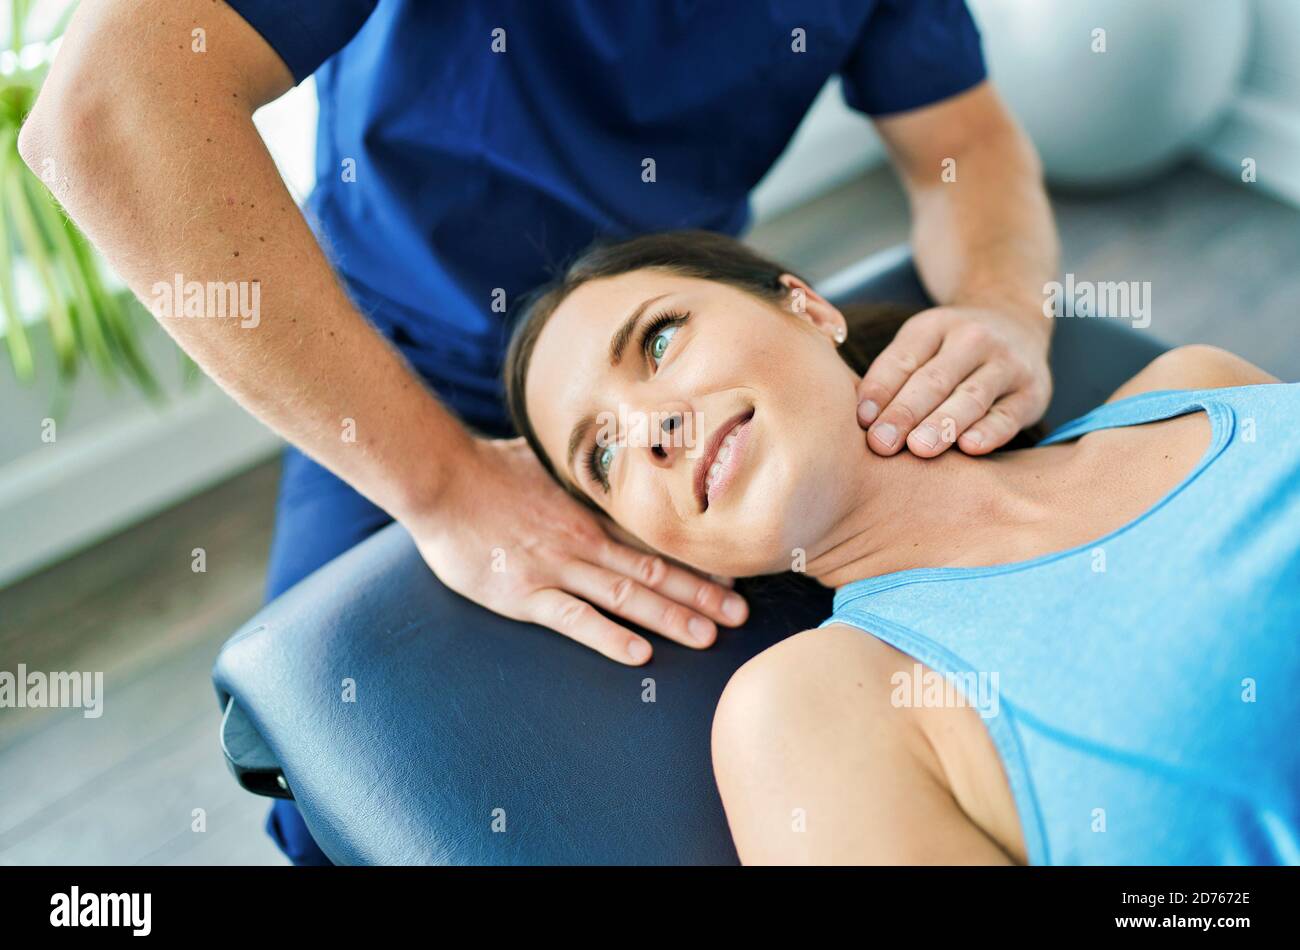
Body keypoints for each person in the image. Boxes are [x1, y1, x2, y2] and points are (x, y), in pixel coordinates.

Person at [21, 1, 1056, 864]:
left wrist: (1004, 304)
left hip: (659, 324)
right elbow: (110, 110)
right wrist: (445, 488)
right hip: (401, 362)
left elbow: (959, 144)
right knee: (330, 787)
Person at [503, 230, 1300, 865]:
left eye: (660, 341)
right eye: (602, 456)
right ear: (673, 548)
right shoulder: (802, 713)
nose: (650, 431)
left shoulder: (1197, 383)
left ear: (808, 308)